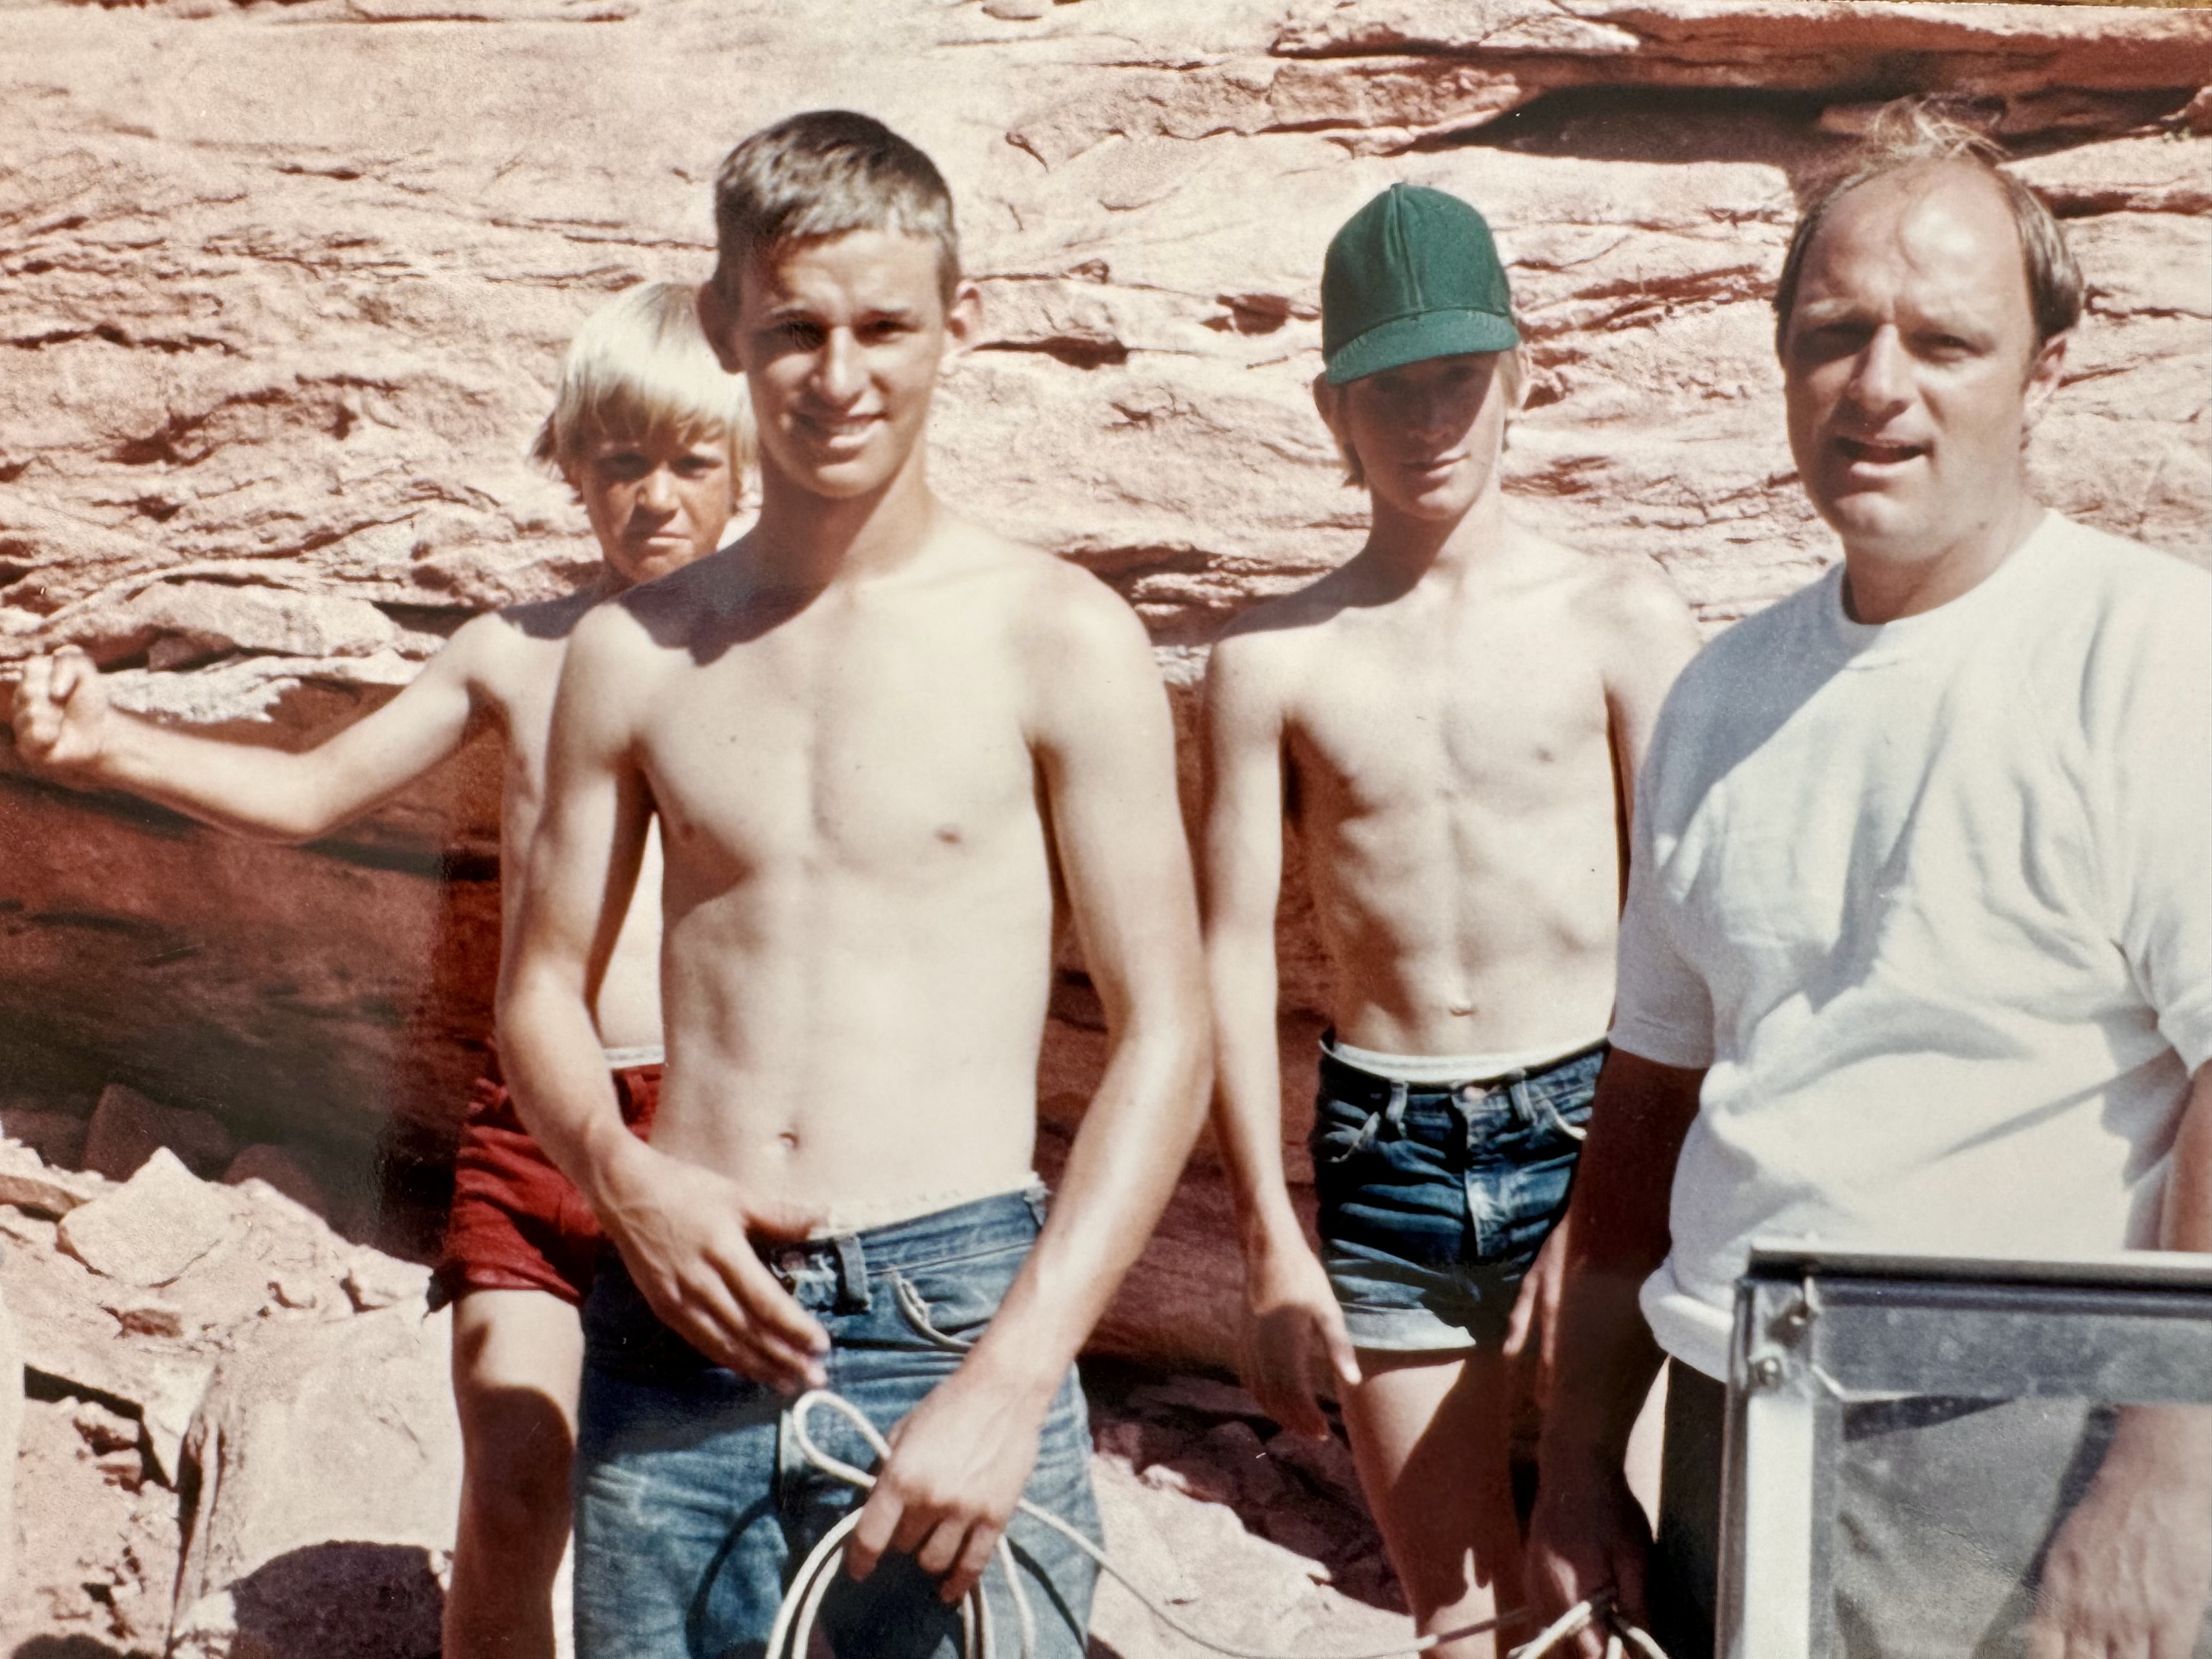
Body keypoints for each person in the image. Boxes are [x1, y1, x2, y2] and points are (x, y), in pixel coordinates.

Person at [494, 109, 1209, 1659]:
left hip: (957, 1315)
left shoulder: (1058, 637)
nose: (838, 376)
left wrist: (1015, 1377)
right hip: (682, 1317)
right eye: (794, 330)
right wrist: (619, 1176)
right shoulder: (635, 651)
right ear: (726, 329)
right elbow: (539, 992)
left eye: (884, 327)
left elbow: (1169, 1033)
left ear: (961, 321)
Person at [1526, 105, 2212, 1659]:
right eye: (1835, 334)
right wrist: (1573, 1468)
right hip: (1736, 1424)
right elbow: (1647, 1112)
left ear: (2046, 370)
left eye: (1945, 342)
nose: (1879, 386)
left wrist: (2171, 1474)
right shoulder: (1718, 699)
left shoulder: (2157, 656)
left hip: (2031, 1440)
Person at [8, 280, 753, 1659]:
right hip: (537, 1131)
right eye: (620, 462)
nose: (655, 497)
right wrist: (107, 747)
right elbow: (311, 792)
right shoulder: (515, 654)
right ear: (571, 466)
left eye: (693, 461)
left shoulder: (788, 657)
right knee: (514, 1497)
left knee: (693, 1525)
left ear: (750, 462)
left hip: (717, 1134)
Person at [1201, 183, 1698, 1659]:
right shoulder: (1272, 660)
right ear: (1330, 410)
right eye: (1390, 388)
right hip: (1390, 1146)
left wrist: (1612, 1188)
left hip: (1596, 1113)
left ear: (1520, 377)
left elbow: (1687, 924)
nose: (1429, 421)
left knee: (1624, 1598)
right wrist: (1269, 1237)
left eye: (1459, 379)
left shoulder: (1620, 615)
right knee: (1461, 1621)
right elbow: (1228, 951)